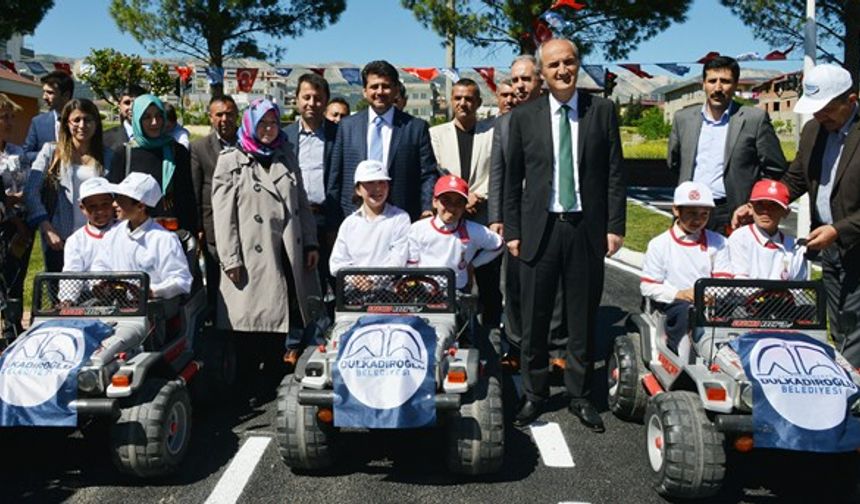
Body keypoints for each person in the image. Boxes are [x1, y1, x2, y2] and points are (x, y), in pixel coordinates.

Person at [504, 39, 625, 431]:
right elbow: (512, 179)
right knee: (535, 318)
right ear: (542, 72)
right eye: (553, 65)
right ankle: (534, 394)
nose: (562, 70)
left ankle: (578, 394)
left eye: (568, 62)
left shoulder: (602, 111)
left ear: (578, 65)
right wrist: (514, 230)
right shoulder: (524, 116)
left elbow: (614, 174)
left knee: (581, 317)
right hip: (539, 230)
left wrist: (614, 226)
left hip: (584, 230)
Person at [742, 63, 860, 366]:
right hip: (832, 249)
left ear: (851, 100)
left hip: (852, 243)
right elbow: (795, 179)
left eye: (827, 108)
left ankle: (849, 395)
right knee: (841, 324)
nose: (820, 115)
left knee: (856, 330)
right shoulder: (812, 131)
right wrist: (760, 203)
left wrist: (840, 229)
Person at [212, 98, 320, 390]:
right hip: (250, 252)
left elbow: (301, 203)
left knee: (279, 317)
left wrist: (310, 243)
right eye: (263, 123)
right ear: (250, 124)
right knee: (250, 322)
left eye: (273, 123)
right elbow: (223, 216)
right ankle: (246, 385)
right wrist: (231, 258)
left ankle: (272, 379)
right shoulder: (231, 159)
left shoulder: (286, 153)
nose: (269, 129)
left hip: (284, 249)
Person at [668, 55, 787, 234]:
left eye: (725, 81)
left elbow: (774, 168)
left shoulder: (753, 119)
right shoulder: (683, 119)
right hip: (690, 210)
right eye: (712, 81)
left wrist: (752, 204)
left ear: (736, 84)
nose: (718, 88)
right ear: (703, 84)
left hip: (733, 213)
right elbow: (674, 162)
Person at [429, 78, 501, 328]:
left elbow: (497, 169)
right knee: (451, 277)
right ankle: (455, 328)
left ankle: (492, 330)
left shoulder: (492, 132)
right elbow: (437, 171)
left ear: (478, 103)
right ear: (451, 101)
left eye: (469, 98)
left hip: (482, 211)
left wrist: (477, 196)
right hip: (450, 214)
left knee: (489, 279)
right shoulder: (436, 134)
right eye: (458, 98)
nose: (463, 103)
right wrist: (460, 198)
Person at [328, 60, 437, 223]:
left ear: (395, 90)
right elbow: (336, 175)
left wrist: (427, 208)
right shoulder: (347, 126)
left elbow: (428, 174)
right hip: (355, 216)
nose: (380, 91)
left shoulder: (415, 127)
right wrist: (333, 221)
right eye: (374, 86)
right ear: (364, 91)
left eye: (385, 86)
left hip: (402, 217)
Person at [640, 181, 732, 355]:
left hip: (710, 300)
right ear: (676, 210)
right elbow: (648, 286)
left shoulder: (719, 242)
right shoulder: (659, 244)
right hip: (675, 303)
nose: (697, 220)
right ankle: (681, 355)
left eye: (704, 214)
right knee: (687, 312)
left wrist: (708, 294)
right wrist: (679, 294)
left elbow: (724, 279)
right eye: (691, 213)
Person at [25, 98, 109, 272]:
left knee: (100, 293)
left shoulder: (108, 155)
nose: (82, 125)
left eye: (88, 119)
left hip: (100, 237)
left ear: (96, 123)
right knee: (60, 295)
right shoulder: (50, 152)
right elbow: (31, 192)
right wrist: (46, 227)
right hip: (60, 238)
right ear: (66, 124)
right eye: (76, 120)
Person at [92, 172, 192, 299]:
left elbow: (181, 281)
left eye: (121, 199)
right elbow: (99, 265)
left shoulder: (164, 239)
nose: (114, 204)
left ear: (140, 206)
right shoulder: (112, 234)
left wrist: (150, 291)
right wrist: (100, 283)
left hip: (151, 311)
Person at [108, 94, 198, 234]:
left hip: (171, 233)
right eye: (147, 117)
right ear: (137, 119)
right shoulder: (124, 153)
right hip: (133, 233)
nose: (154, 122)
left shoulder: (176, 152)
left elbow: (187, 196)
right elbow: (115, 197)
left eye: (159, 116)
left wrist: (192, 231)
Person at [284, 73, 338, 300]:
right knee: (296, 282)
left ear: (325, 101)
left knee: (332, 279)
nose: (311, 103)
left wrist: (336, 223)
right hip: (293, 219)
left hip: (328, 220)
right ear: (296, 99)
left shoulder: (339, 134)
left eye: (317, 98)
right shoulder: (284, 136)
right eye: (306, 97)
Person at [407, 175, 503, 291]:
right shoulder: (418, 229)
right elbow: (411, 264)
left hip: (458, 290)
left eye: (458, 202)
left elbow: (498, 245)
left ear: (465, 206)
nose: (452, 208)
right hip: (424, 292)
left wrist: (473, 264)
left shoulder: (473, 230)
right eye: (446, 201)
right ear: (435, 202)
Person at [190, 94, 239, 307]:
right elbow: (196, 188)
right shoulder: (199, 148)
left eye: (229, 114)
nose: (224, 119)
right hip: (213, 226)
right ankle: (215, 323)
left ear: (237, 116)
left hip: (244, 221)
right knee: (215, 278)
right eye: (219, 114)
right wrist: (198, 226)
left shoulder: (247, 143)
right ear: (211, 117)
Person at [329, 159, 410, 275]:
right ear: (358, 189)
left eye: (382, 182)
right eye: (370, 183)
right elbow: (336, 264)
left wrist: (373, 280)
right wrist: (355, 279)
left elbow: (398, 261)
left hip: (388, 290)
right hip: (353, 291)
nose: (377, 188)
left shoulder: (400, 218)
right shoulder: (349, 224)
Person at [727, 179, 807, 280]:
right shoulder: (740, 238)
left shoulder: (794, 247)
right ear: (750, 208)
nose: (766, 211)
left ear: (785, 212)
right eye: (760, 205)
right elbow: (739, 283)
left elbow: (798, 288)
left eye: (774, 206)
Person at [0, 93, 30, 330]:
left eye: (11, 117)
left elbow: (25, 187)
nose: (9, 122)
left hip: (18, 226)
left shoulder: (17, 152)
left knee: (15, 280)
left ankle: (14, 326)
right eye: (3, 117)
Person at [63, 177, 118, 272]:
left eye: (105, 204)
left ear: (113, 203)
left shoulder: (126, 230)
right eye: (93, 206)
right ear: (82, 208)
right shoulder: (76, 241)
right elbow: (71, 277)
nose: (100, 211)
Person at [22, 70, 74, 164]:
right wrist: (50, 154)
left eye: (50, 93)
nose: (44, 97)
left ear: (66, 95)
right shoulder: (38, 122)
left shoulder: (82, 122)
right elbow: (26, 154)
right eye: (44, 92)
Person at [103, 84, 147, 151]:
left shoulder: (158, 137)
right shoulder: (105, 139)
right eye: (127, 103)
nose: (131, 107)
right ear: (119, 106)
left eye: (137, 102)